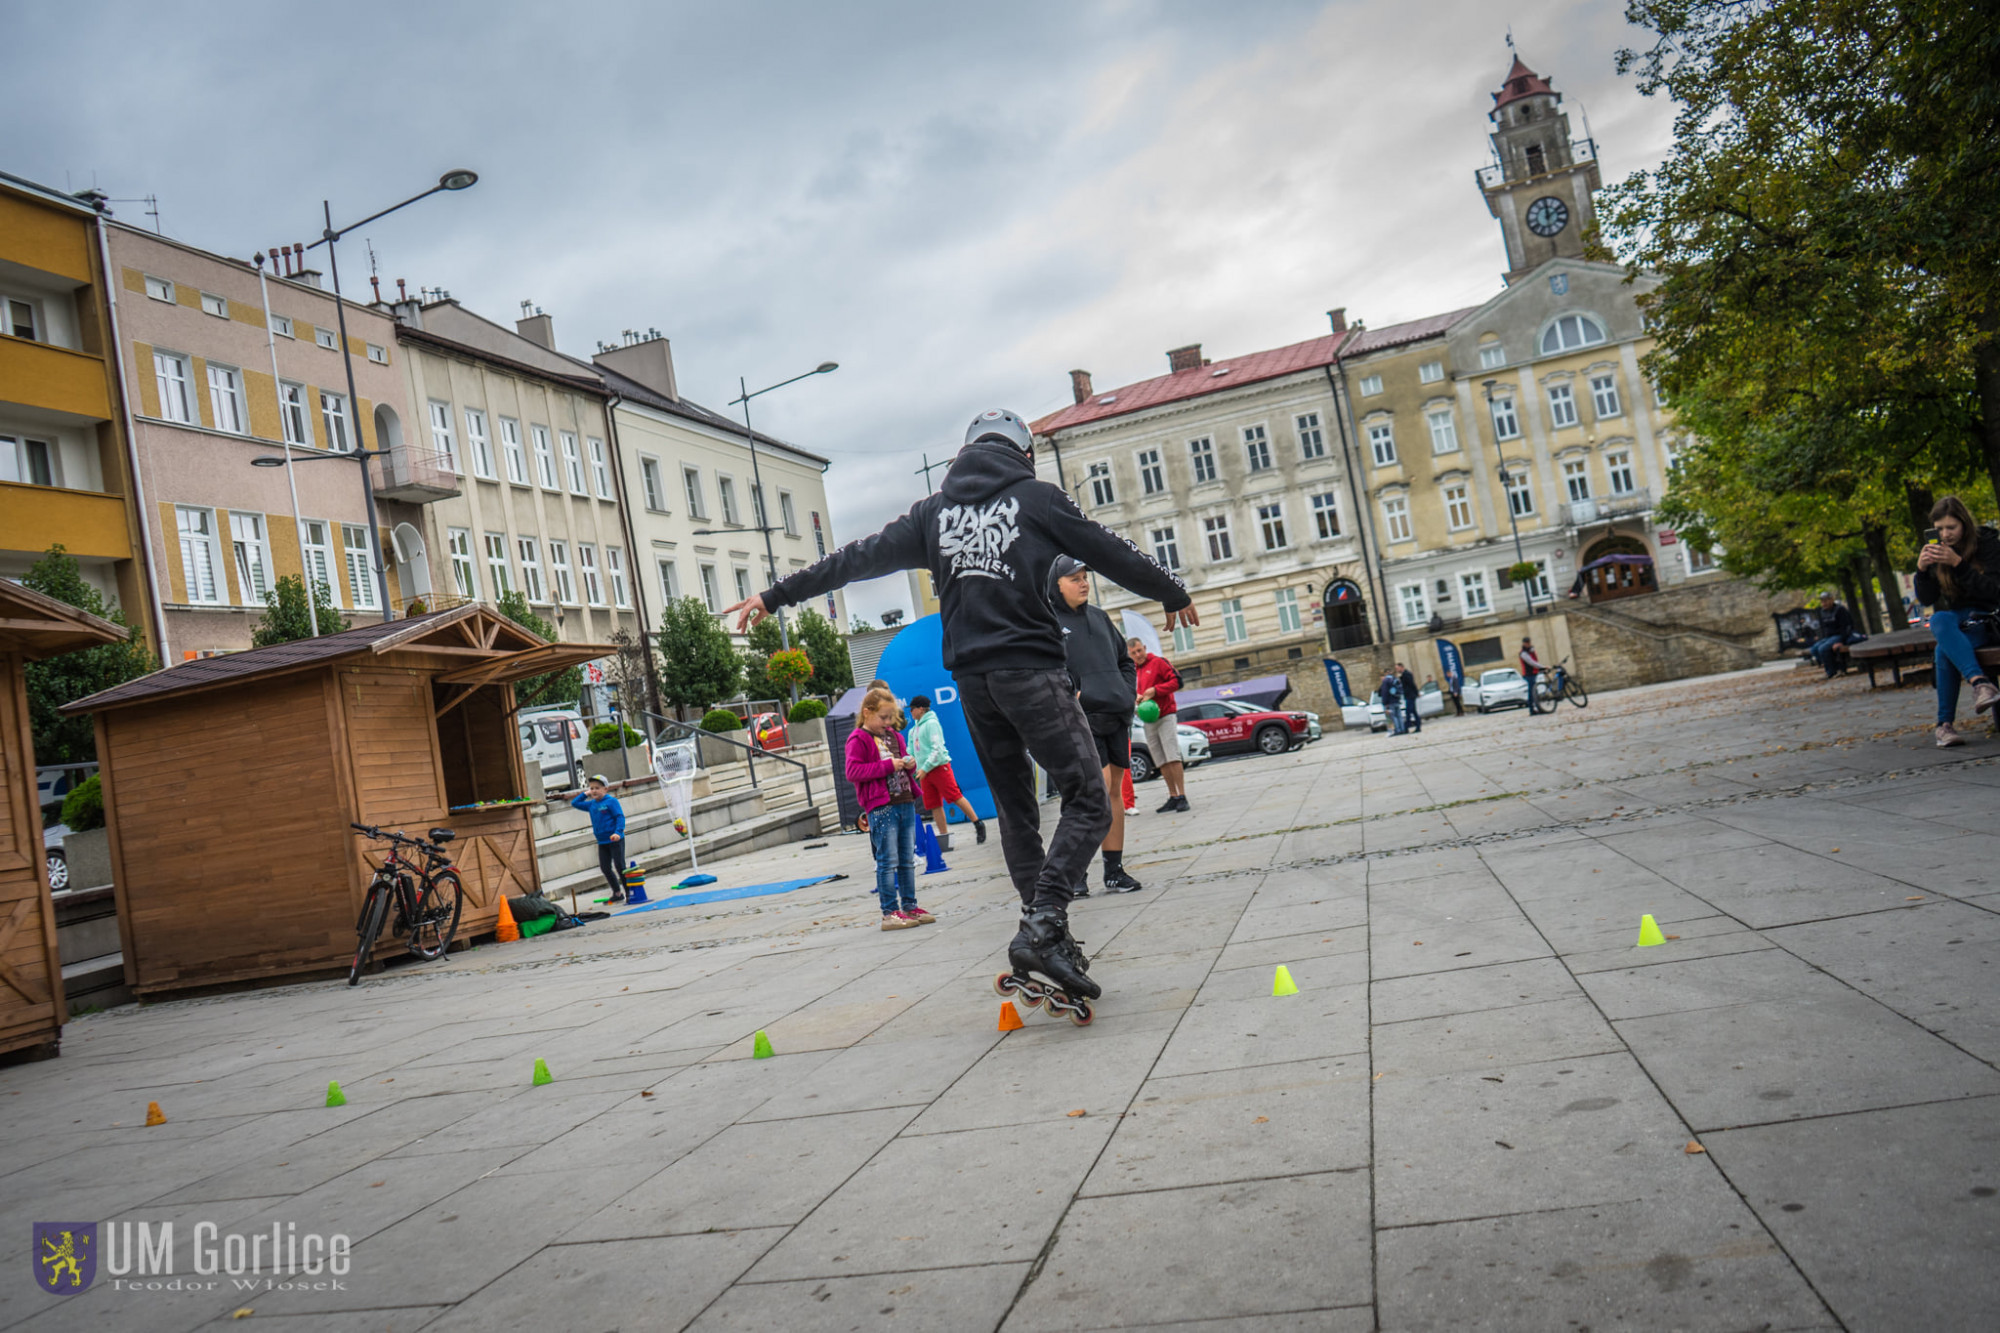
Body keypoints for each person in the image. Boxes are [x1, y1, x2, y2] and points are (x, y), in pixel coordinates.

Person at [726, 408, 1194, 1008]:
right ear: (1023, 454)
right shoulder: (1038, 498)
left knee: (1016, 810)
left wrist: (775, 594)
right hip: (1032, 672)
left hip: (974, 685)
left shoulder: (932, 512)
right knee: (1084, 794)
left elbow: (854, 558)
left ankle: (1043, 934)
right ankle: (1046, 921)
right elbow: (1109, 549)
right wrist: (1171, 591)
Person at [1050, 555, 1143, 894]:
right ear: (1056, 584)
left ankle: (1114, 871)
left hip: (1116, 715)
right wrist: (1070, 692)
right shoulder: (1048, 622)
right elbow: (1048, 670)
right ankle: (1076, 874)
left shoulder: (1101, 618)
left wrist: (1126, 692)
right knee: (1094, 793)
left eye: (1084, 576)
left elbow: (1124, 661)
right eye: (1073, 578)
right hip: (1081, 719)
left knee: (1114, 791)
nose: (1083, 582)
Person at [1913, 495, 2000, 748]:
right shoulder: (1937, 550)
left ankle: (1944, 726)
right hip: (1959, 620)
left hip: (1988, 619)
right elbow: (1928, 598)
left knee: (1943, 649)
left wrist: (1958, 564)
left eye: (1951, 527)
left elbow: (1994, 592)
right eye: (1939, 529)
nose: (1945, 534)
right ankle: (1980, 683)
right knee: (1939, 618)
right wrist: (1921, 571)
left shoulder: (1987, 544)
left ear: (1964, 524)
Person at [847, 686, 932, 928]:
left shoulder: (895, 736)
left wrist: (910, 763)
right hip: (881, 806)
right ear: (867, 713)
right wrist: (888, 766)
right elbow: (853, 772)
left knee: (906, 858)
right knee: (887, 860)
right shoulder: (859, 739)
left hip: (904, 801)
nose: (887, 722)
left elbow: (903, 759)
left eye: (890, 718)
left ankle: (909, 905)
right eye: (883, 717)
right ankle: (889, 912)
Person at [906, 694, 987, 849]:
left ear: (921, 709)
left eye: (912, 708)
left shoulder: (931, 724)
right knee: (934, 804)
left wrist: (925, 767)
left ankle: (977, 823)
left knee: (954, 796)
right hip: (924, 772)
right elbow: (911, 751)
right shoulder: (913, 730)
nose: (910, 711)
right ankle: (944, 839)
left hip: (938, 767)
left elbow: (937, 749)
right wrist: (908, 760)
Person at [1128, 636, 1189, 813]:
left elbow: (1178, 681)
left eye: (1140, 651)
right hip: (1148, 718)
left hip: (1166, 714)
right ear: (1130, 655)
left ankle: (1183, 795)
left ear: (1145, 648)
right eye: (1134, 653)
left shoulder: (1159, 662)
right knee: (1160, 759)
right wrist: (1136, 698)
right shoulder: (1132, 671)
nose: (1138, 655)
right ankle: (1173, 796)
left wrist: (1156, 690)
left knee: (1172, 755)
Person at [570, 776, 628, 903]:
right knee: (605, 868)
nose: (594, 791)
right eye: (592, 788)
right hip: (602, 842)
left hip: (615, 840)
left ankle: (629, 892)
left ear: (605, 789)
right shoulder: (591, 804)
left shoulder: (611, 801)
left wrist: (618, 832)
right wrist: (585, 793)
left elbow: (620, 817)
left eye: (597, 788)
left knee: (620, 866)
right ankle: (617, 893)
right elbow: (575, 803)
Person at [1803, 591, 1866, 678]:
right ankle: (1833, 667)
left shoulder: (1840, 610)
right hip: (1829, 637)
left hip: (1839, 635)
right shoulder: (1823, 612)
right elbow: (1823, 628)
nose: (1823, 603)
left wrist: (1843, 641)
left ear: (1831, 600)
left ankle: (1831, 671)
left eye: (1825, 601)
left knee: (1823, 649)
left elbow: (1847, 627)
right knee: (1814, 649)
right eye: (1822, 601)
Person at [1519, 637, 1546, 715]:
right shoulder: (1523, 653)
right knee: (1532, 692)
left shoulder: (1530, 651)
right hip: (1528, 674)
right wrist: (1542, 667)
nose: (1528, 644)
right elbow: (1531, 662)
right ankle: (1532, 709)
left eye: (1529, 642)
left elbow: (1534, 660)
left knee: (1534, 691)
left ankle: (1537, 707)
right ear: (1524, 643)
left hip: (1533, 673)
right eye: (1526, 643)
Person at [1378, 670, 1405, 735]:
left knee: (1393, 716)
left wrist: (1385, 703)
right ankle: (1402, 729)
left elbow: (1384, 693)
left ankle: (1397, 730)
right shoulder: (1395, 679)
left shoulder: (1386, 681)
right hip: (1397, 700)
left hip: (1390, 702)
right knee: (1399, 715)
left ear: (1385, 674)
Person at [1397, 662, 1421, 734]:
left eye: (1397, 668)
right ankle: (1418, 726)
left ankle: (1406, 727)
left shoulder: (1407, 674)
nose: (1397, 670)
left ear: (1401, 667)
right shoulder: (1403, 675)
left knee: (1408, 712)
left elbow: (1412, 684)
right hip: (1408, 695)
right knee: (1413, 711)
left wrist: (1416, 693)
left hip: (1410, 695)